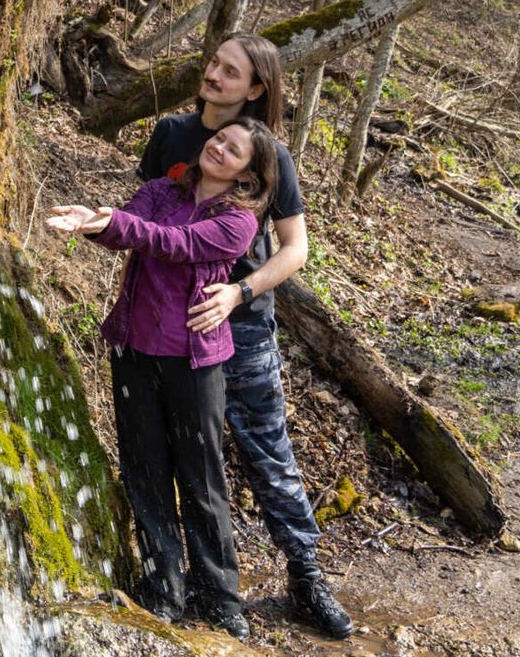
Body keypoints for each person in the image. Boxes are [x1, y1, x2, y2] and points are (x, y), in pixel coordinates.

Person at [138, 32, 354, 640]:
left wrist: (240, 292)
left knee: (266, 450)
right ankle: (175, 582)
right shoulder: (171, 136)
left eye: (230, 71)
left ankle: (306, 576)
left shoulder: (268, 154)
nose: (213, 74)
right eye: (213, 63)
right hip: (171, 328)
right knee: (178, 453)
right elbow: (144, 216)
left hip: (244, 328)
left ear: (256, 88)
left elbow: (295, 248)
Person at [47, 117, 279, 640]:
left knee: (201, 478)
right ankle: (163, 589)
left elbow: (175, 242)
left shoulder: (238, 221)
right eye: (219, 139)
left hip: (194, 361)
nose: (219, 148)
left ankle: (219, 598)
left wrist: (114, 223)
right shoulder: (160, 190)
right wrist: (96, 223)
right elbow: (129, 228)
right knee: (145, 470)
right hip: (134, 349)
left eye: (234, 149)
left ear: (248, 173)